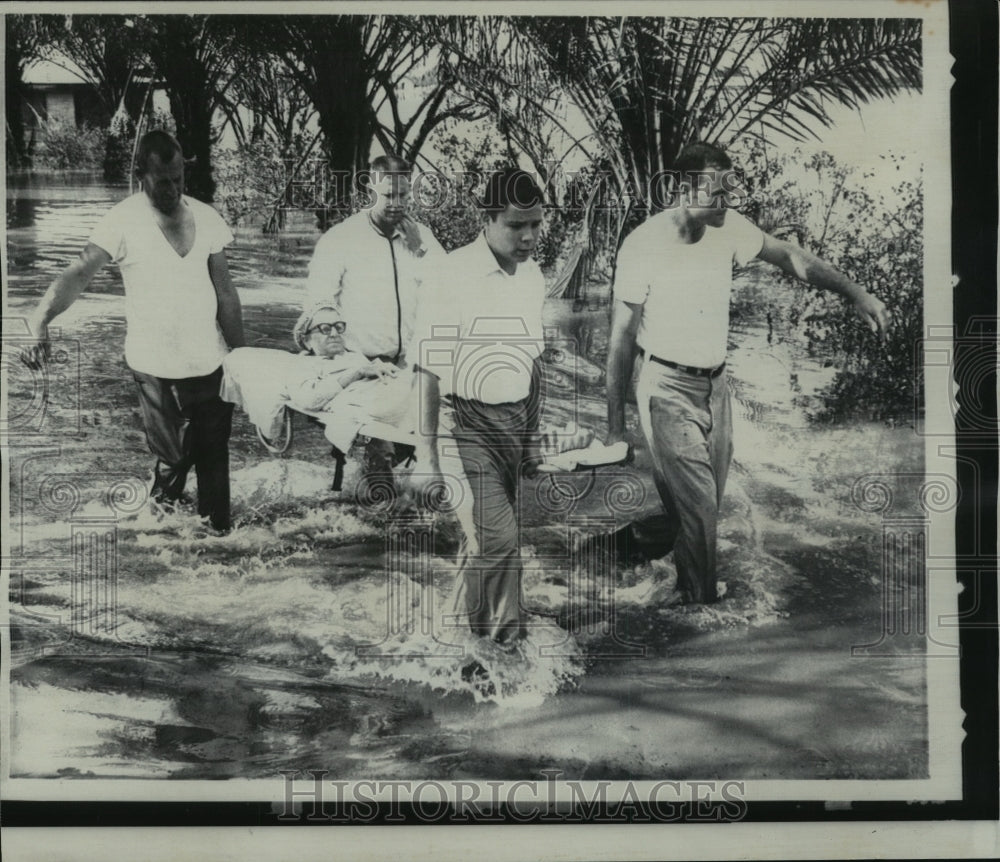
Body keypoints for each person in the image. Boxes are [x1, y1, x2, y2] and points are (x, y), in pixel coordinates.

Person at [606, 141, 891, 604]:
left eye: (729, 193)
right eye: (717, 194)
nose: (726, 204)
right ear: (684, 187)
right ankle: (702, 615)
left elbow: (789, 257)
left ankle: (615, 550)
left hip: (716, 388)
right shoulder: (643, 246)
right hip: (665, 389)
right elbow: (620, 340)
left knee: (699, 510)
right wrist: (615, 429)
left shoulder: (729, 228)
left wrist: (856, 293)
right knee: (700, 507)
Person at [21, 129, 245, 532]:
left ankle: (219, 544)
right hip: (155, 367)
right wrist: (41, 319)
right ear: (140, 173)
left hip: (211, 362)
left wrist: (243, 359)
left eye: (179, 179)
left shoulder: (208, 218)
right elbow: (78, 274)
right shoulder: (122, 220)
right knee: (175, 458)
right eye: (163, 181)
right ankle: (155, 536)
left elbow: (226, 294)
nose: (174, 189)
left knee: (214, 458)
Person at [411, 168, 548, 654]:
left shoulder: (532, 276)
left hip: (512, 424)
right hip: (462, 424)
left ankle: (455, 638)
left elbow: (534, 360)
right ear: (487, 218)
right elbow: (426, 372)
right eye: (517, 225)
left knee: (486, 541)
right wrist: (426, 460)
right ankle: (502, 651)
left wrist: (532, 437)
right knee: (501, 539)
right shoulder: (452, 275)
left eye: (536, 224)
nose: (529, 236)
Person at [304, 155, 445, 479]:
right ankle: (371, 505)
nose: (397, 204)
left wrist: (420, 249)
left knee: (425, 443)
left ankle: (372, 490)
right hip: (361, 368)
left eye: (403, 195)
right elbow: (318, 303)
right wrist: (333, 357)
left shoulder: (421, 237)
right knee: (384, 460)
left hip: (411, 369)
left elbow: (447, 291)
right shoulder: (342, 239)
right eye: (389, 195)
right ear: (371, 188)